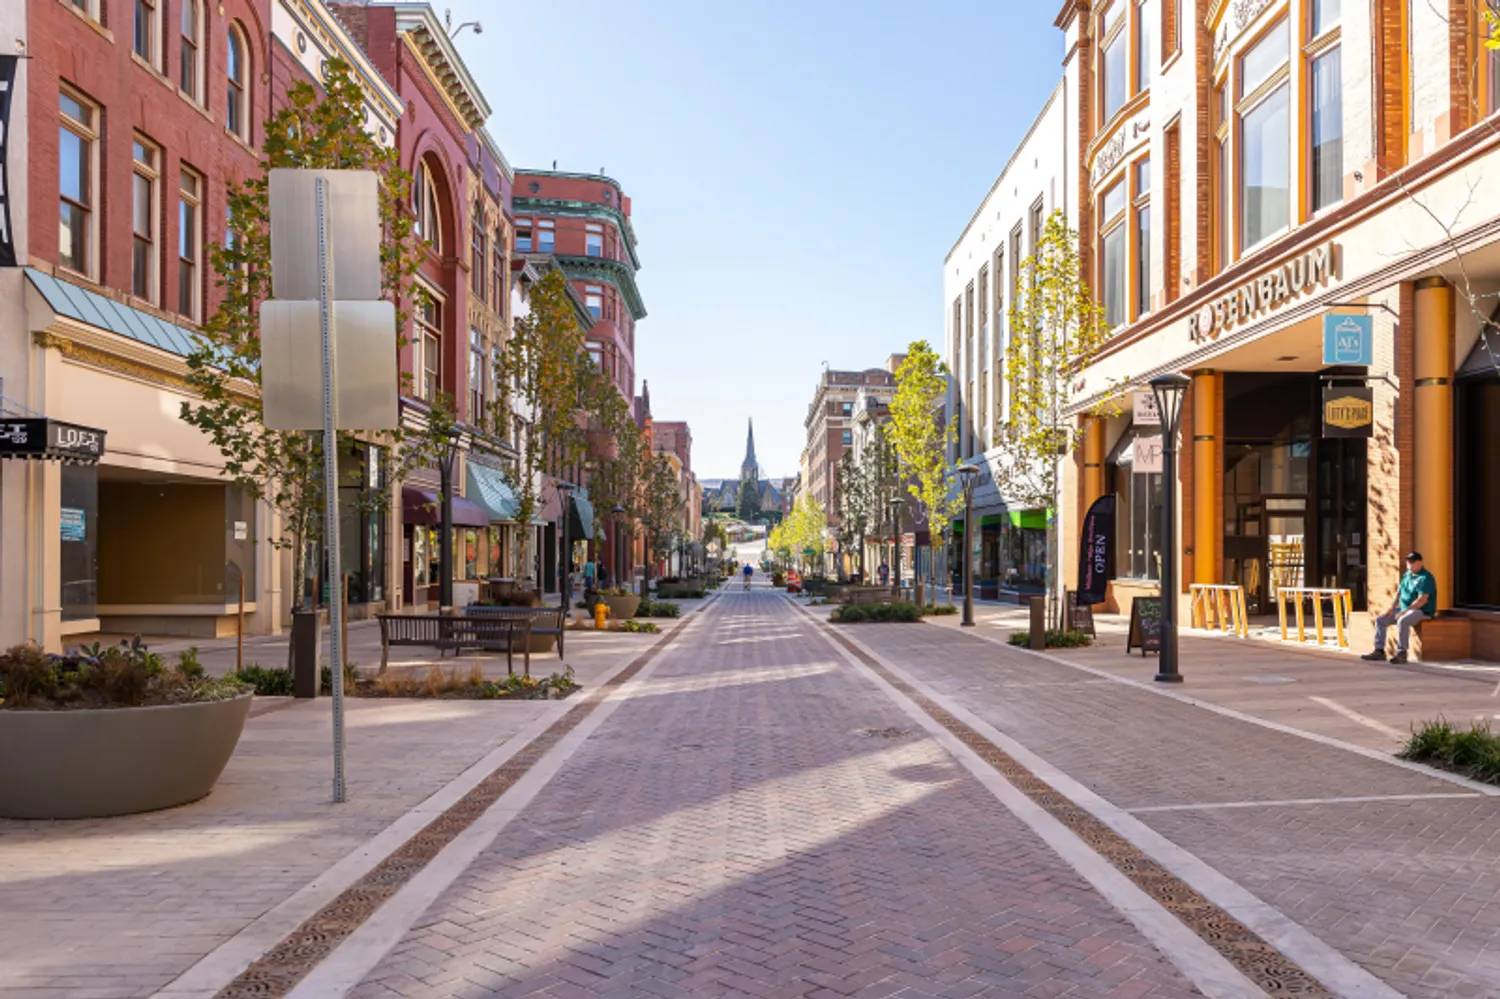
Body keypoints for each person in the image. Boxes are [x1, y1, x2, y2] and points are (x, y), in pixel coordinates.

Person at [1363, 551, 1437, 665]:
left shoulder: (1426, 577)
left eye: (1412, 561)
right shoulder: (1407, 575)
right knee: (1381, 620)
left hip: (1421, 611)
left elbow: (1422, 600)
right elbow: (1399, 593)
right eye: (1408, 561)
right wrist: (1391, 608)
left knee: (1403, 620)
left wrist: (1404, 612)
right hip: (1404, 609)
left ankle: (1402, 653)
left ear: (1420, 563)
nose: (1409, 564)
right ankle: (1379, 651)